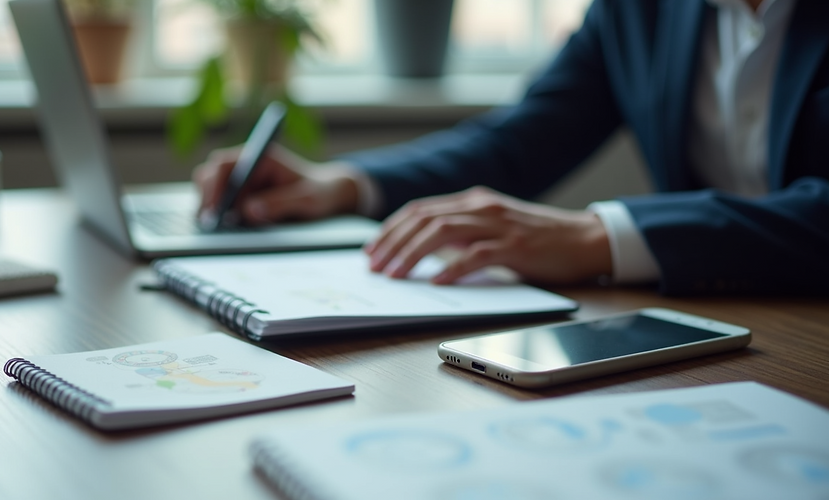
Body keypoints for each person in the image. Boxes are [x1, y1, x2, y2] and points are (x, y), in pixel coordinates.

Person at [193, 0, 829, 296]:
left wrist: (600, 237)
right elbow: (519, 142)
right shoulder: (642, 11)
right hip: (724, 323)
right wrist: (343, 184)